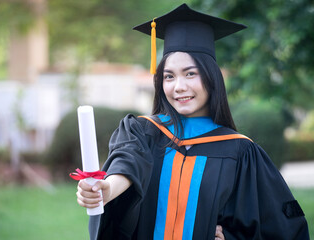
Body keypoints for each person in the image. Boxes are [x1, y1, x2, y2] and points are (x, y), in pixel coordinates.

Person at [76, 4, 309, 240]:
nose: (179, 87)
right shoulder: (143, 132)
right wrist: (107, 189)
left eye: (190, 73)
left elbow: (280, 225)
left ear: (211, 77)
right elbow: (126, 165)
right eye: (169, 76)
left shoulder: (240, 152)